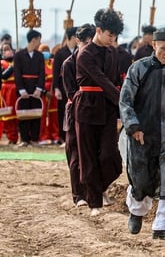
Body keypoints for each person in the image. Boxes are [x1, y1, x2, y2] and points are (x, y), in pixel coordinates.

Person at [120, 28, 165, 243]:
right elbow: (125, 101)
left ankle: (164, 227)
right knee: (141, 179)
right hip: (142, 135)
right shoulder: (138, 69)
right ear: (154, 45)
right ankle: (137, 211)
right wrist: (133, 126)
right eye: (163, 48)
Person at [74, 9, 123, 216]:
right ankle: (94, 202)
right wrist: (123, 101)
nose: (113, 39)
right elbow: (101, 81)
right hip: (87, 106)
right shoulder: (84, 54)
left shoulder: (113, 52)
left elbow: (116, 81)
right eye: (110, 35)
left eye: (115, 36)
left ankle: (96, 187)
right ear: (99, 30)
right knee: (88, 156)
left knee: (111, 156)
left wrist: (122, 104)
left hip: (109, 108)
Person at [62, 23, 95, 207]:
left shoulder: (95, 61)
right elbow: (71, 93)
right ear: (78, 41)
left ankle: (91, 192)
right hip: (74, 112)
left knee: (91, 154)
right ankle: (78, 195)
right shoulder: (68, 63)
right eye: (85, 42)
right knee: (75, 154)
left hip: (92, 113)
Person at [13, 30, 45, 147]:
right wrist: (21, 89)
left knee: (36, 114)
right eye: (39, 40)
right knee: (24, 114)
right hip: (24, 88)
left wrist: (39, 89)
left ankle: (35, 139)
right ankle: (24, 139)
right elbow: (17, 73)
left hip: (36, 89)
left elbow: (42, 73)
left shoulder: (40, 56)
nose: (40, 42)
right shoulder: (19, 55)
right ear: (33, 40)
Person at [52, 26, 78, 145]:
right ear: (72, 37)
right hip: (63, 88)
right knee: (62, 112)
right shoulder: (60, 53)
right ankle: (62, 137)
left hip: (77, 87)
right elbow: (55, 71)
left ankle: (75, 136)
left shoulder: (80, 51)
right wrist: (56, 88)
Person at [38, 43, 59, 145]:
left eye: (47, 50)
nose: (45, 52)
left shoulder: (53, 62)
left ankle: (54, 135)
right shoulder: (38, 63)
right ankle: (43, 136)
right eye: (43, 50)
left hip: (53, 91)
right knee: (43, 115)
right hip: (43, 92)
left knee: (53, 115)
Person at [1, 43, 19, 144]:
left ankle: (18, 136)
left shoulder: (17, 61)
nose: (7, 51)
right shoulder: (2, 63)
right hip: (6, 91)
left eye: (8, 49)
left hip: (16, 89)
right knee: (8, 115)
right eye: (4, 50)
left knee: (18, 114)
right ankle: (11, 137)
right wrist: (11, 67)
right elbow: (3, 76)